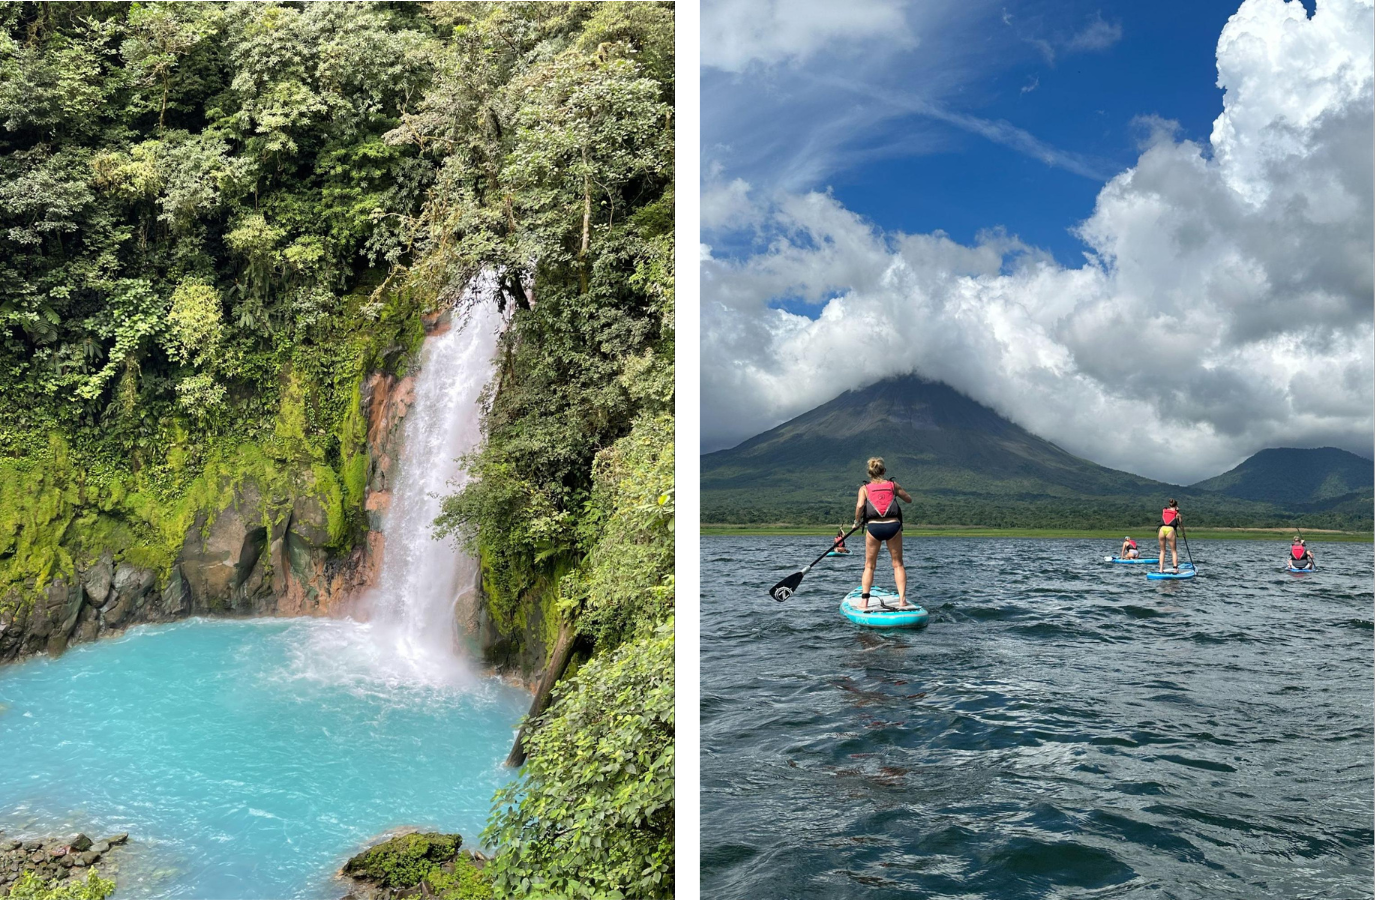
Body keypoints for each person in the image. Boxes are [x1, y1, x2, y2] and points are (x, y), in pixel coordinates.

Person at [853, 457, 915, 611]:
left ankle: (864, 602)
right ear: (884, 471)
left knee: (869, 565)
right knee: (898, 564)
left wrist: (856, 521)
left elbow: (860, 505)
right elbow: (908, 500)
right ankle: (902, 601)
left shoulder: (864, 488)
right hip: (893, 527)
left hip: (874, 528)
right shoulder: (893, 485)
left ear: (869, 473)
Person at [1157, 499, 1183, 573]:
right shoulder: (1177, 514)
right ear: (1176, 506)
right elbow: (1180, 523)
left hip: (1162, 530)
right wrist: (1178, 512)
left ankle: (1161, 569)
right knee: (1173, 551)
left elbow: (1165, 509)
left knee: (1162, 551)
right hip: (1170, 530)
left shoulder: (1164, 510)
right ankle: (1175, 569)